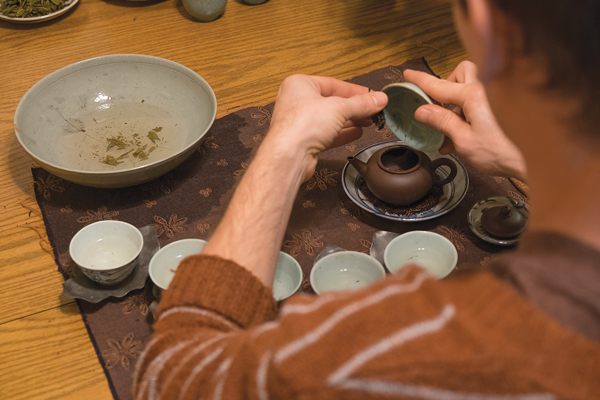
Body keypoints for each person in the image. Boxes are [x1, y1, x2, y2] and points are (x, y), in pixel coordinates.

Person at [133, 0, 600, 398]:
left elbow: (174, 378)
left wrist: (286, 149)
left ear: (487, 22)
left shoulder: (439, 343)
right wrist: (529, 156)